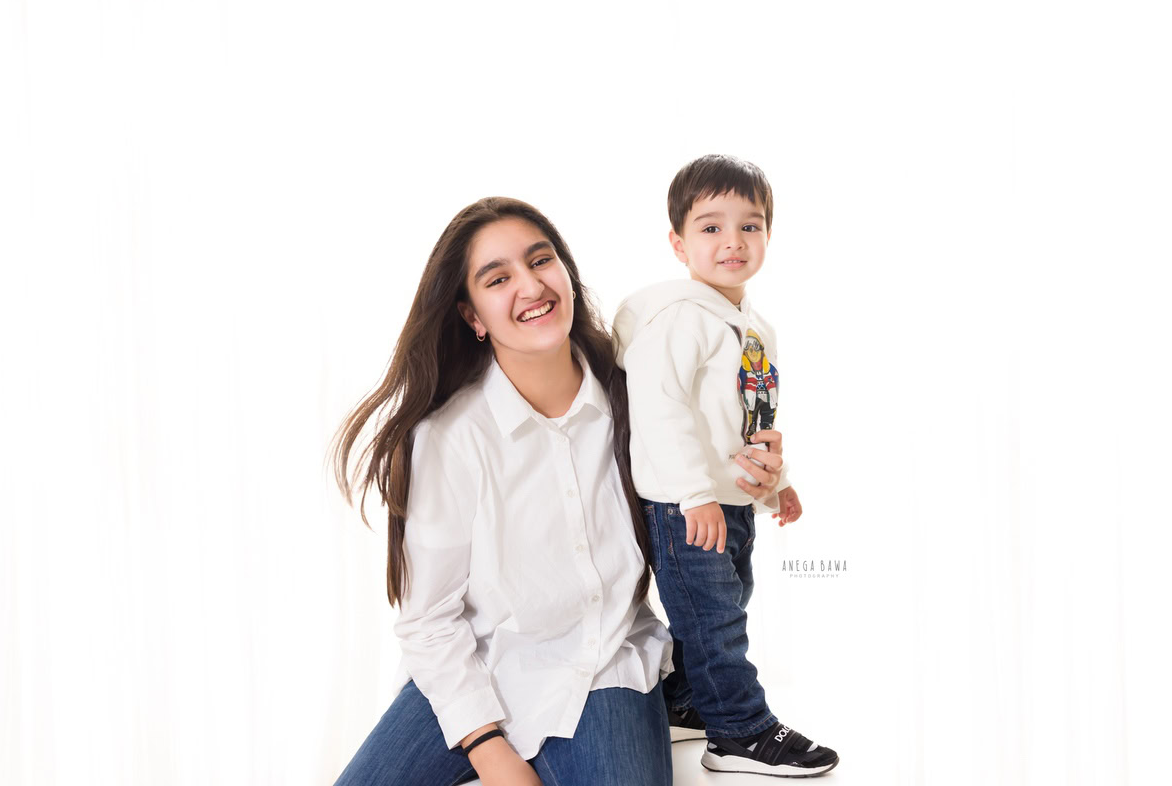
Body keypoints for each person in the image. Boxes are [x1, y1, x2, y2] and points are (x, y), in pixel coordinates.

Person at [329, 196, 788, 786]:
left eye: (540, 261)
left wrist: (760, 472)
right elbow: (428, 621)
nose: (530, 286)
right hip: (478, 667)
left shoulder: (637, 396)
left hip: (608, 668)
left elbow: (707, 462)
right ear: (473, 316)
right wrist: (489, 750)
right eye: (498, 278)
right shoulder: (448, 436)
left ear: (567, 273)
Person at [612, 155, 840, 777]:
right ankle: (739, 730)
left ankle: (686, 701)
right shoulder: (679, 318)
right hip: (686, 504)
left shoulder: (752, 326)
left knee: (729, 602)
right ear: (678, 242)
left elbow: (749, 418)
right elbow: (659, 411)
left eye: (751, 225)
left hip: (729, 499)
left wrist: (778, 486)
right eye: (711, 227)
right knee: (713, 620)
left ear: (769, 236)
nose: (733, 241)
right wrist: (693, 494)